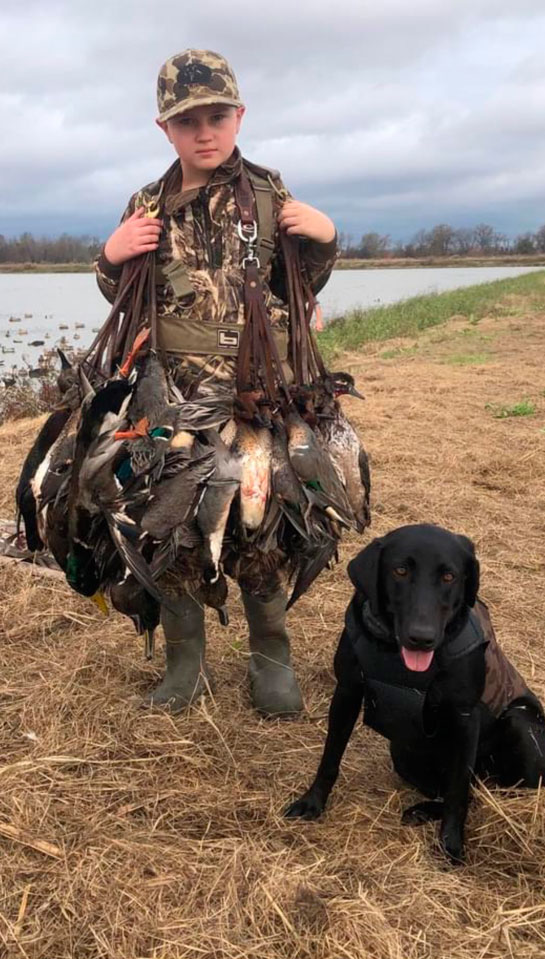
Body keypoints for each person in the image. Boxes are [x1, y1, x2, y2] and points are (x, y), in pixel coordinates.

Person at [94, 49, 339, 717]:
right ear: (164, 128)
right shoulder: (147, 203)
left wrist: (324, 238)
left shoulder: (268, 192)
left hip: (259, 397)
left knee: (262, 528)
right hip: (170, 401)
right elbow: (124, 294)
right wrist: (110, 257)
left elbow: (299, 287)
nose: (204, 132)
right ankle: (184, 663)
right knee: (169, 528)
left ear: (240, 116)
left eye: (217, 117)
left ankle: (272, 660)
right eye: (187, 121)